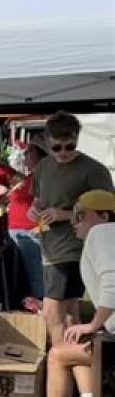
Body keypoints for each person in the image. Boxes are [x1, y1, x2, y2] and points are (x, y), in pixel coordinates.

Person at [26, 190, 115, 397]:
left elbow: (112, 283)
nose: (73, 222)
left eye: (80, 215)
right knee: (74, 349)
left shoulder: (103, 233)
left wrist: (93, 325)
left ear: (103, 216)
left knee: (58, 354)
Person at [31, 111, 115, 346]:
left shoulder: (93, 170)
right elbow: (38, 199)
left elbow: (107, 214)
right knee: (69, 314)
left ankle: (60, 361)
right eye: (57, 148)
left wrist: (64, 214)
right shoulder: (43, 167)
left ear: (78, 138)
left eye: (70, 146)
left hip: (74, 248)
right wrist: (34, 210)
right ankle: (79, 370)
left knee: (51, 311)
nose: (64, 153)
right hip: (49, 247)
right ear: (47, 142)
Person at [8, 140, 47, 299]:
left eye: (29, 152)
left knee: (35, 274)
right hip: (18, 231)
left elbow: (48, 203)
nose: (24, 155)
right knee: (26, 273)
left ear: (41, 155)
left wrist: (41, 229)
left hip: (30, 231)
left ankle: (41, 307)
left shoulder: (43, 177)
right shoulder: (30, 176)